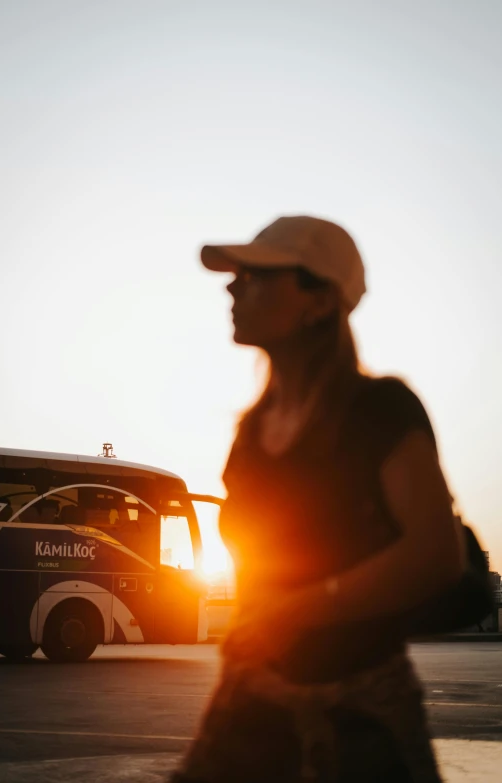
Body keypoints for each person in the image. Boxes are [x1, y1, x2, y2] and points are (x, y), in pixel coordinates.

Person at [172, 216, 466, 783]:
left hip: (360, 722)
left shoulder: (380, 409)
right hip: (251, 700)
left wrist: (300, 609)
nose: (233, 287)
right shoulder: (253, 431)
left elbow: (436, 555)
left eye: (258, 275)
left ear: (320, 302)